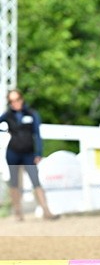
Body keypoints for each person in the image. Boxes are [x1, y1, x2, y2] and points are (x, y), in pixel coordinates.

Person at [0, 89, 58, 221]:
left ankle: (46, 211)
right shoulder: (8, 115)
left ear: (22, 99)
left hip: (28, 153)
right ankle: (18, 213)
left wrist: (38, 153)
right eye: (12, 101)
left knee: (35, 181)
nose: (15, 103)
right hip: (13, 153)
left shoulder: (31, 114)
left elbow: (37, 135)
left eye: (17, 100)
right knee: (15, 183)